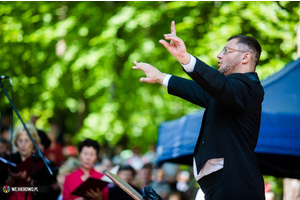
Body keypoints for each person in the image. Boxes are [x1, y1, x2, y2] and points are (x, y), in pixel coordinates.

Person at [133, 21, 265, 200]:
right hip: (220, 185)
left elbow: (219, 85)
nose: (219, 55)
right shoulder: (226, 93)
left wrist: (185, 58)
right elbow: (201, 91)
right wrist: (161, 77)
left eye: (226, 50)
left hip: (235, 184)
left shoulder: (249, 88)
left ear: (245, 57)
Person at [4, 123, 41, 200]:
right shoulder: (7, 161)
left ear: (34, 142)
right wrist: (12, 180)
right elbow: (4, 191)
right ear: (15, 142)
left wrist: (27, 180)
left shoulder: (41, 163)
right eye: (20, 140)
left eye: (27, 141)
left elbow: (45, 192)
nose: (23, 144)